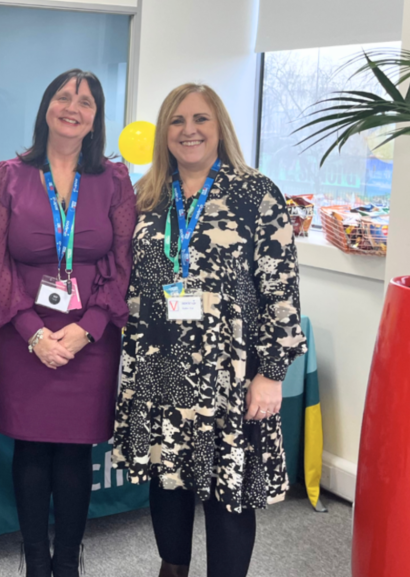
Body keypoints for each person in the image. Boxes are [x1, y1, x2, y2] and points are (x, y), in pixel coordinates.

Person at [111, 83, 307, 577]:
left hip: (230, 373)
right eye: (176, 121)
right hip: (160, 365)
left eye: (200, 119)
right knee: (167, 479)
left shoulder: (256, 193)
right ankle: (171, 568)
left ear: (220, 126)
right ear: (164, 133)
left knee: (230, 488)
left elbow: (281, 292)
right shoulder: (148, 195)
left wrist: (272, 373)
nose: (188, 130)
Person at [0, 69, 136, 577]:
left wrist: (87, 327)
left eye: (86, 101)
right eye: (64, 97)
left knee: (75, 451)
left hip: (90, 336)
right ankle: (34, 562)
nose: (74, 107)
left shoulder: (113, 179)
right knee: (30, 447)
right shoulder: (8, 174)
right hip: (24, 332)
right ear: (47, 106)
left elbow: (124, 260)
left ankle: (67, 560)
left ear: (96, 117)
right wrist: (33, 333)